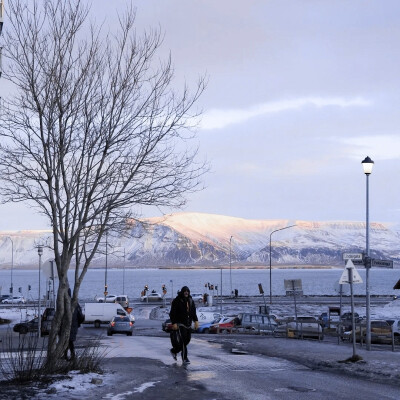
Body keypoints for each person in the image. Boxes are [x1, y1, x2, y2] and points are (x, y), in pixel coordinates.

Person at [169, 286, 199, 364]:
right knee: (182, 341)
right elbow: (172, 313)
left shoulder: (191, 301)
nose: (186, 292)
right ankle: (184, 358)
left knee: (187, 340)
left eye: (187, 291)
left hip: (188, 324)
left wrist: (196, 321)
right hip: (180, 324)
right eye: (185, 291)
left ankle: (174, 351)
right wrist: (174, 323)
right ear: (182, 292)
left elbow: (193, 312)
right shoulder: (177, 300)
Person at [65, 288, 84, 361]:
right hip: (73, 325)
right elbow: (81, 316)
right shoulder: (75, 303)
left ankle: (69, 355)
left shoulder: (64, 303)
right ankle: (69, 355)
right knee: (69, 341)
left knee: (67, 341)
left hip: (70, 325)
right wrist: (78, 324)